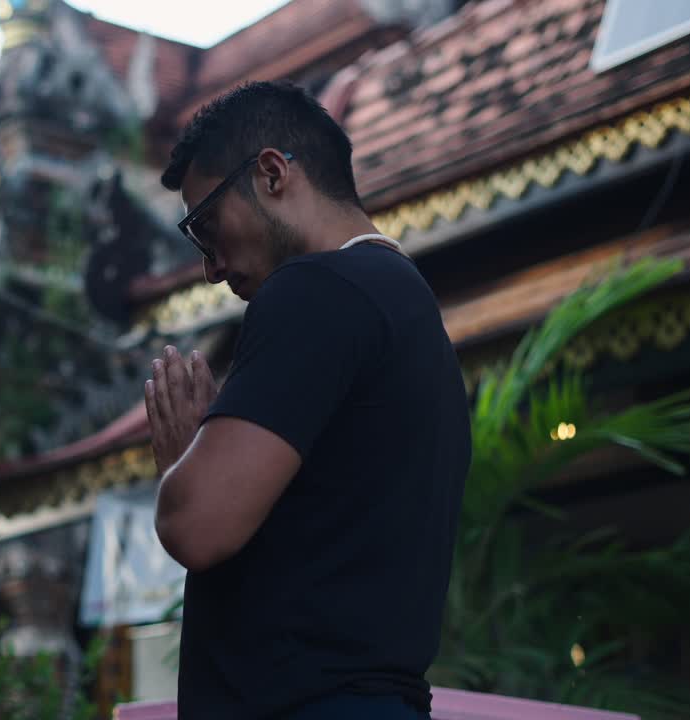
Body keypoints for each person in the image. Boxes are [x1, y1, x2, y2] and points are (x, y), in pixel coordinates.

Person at [143, 81, 472, 719]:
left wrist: (186, 461)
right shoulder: (404, 304)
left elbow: (198, 525)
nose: (210, 266)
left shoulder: (315, 291)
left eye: (206, 226)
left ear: (271, 173)